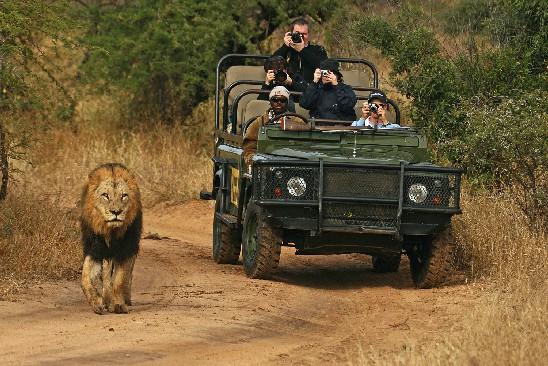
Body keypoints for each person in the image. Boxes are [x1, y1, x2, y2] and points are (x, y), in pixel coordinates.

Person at [243, 86, 307, 167]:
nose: (279, 103)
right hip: (265, 163)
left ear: (287, 102)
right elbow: (249, 146)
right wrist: (252, 158)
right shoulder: (260, 122)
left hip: (292, 162)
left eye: (282, 100)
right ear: (270, 102)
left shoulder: (297, 121)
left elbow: (304, 145)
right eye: (275, 100)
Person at [273, 18, 328, 84]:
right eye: (297, 33)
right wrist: (285, 46)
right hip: (290, 88)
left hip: (312, 88)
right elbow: (271, 64)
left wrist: (302, 50)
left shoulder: (318, 50)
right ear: (291, 34)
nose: (301, 36)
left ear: (308, 34)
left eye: (304, 34)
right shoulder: (287, 50)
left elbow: (325, 67)